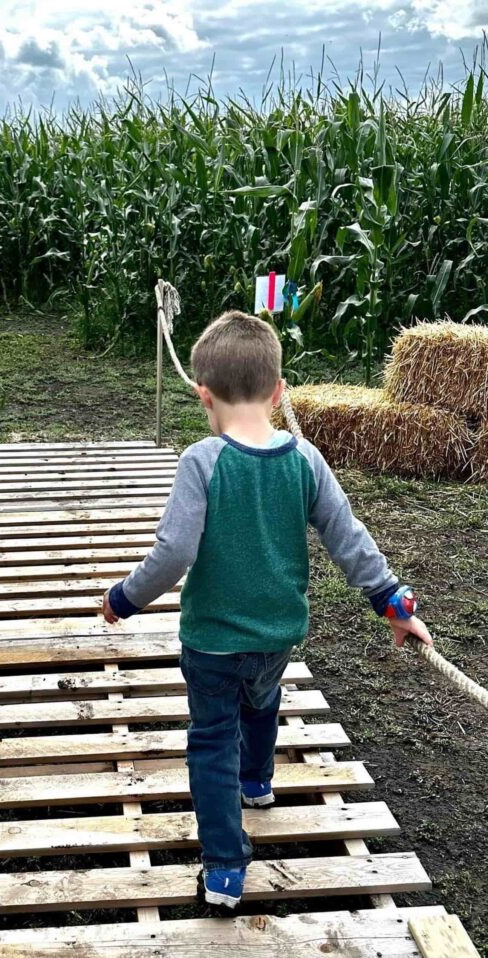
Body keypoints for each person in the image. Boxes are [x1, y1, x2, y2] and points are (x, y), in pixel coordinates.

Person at [101, 310, 433, 909]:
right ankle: (257, 783)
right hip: (278, 634)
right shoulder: (305, 460)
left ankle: (225, 869)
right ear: (280, 391)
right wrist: (391, 600)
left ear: (204, 395)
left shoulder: (201, 461)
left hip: (210, 642)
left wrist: (125, 597)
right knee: (262, 699)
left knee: (209, 740)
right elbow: (347, 536)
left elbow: (174, 550)